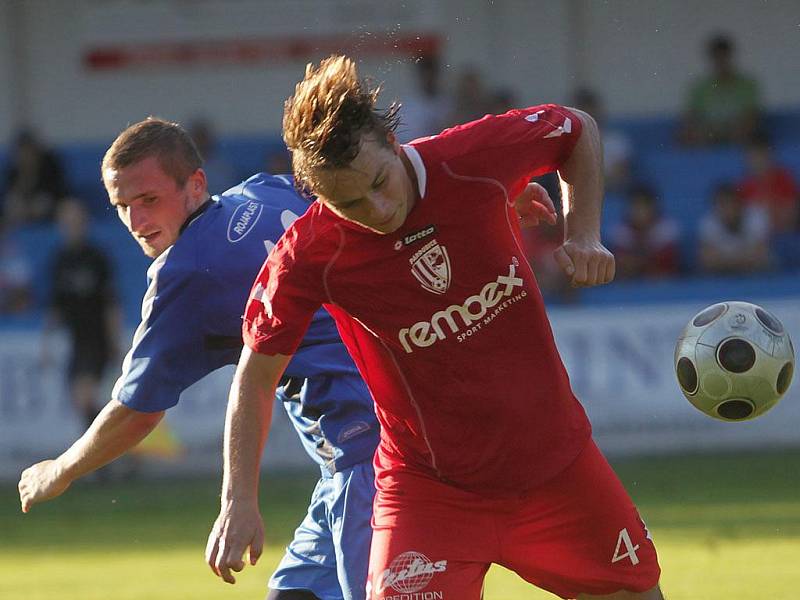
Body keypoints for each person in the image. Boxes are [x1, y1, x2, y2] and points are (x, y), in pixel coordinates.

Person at [207, 55, 663, 600]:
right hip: (429, 493)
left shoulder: (471, 159)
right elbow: (255, 377)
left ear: (395, 144)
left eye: (379, 182)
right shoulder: (308, 254)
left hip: (557, 468)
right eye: (348, 202)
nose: (376, 208)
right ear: (319, 199)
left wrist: (583, 232)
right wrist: (237, 500)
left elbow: (576, 128)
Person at [17, 118, 382, 600]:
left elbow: (135, 414)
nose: (136, 221)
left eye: (149, 200)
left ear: (195, 184)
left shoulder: (186, 271)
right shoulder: (263, 191)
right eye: (122, 207)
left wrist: (58, 471)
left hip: (371, 458)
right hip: (358, 456)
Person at [45, 198, 122, 433]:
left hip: (96, 336)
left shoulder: (96, 258)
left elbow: (111, 302)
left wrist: (114, 340)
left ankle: (107, 452)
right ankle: (114, 449)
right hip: (77, 339)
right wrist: (46, 342)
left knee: (85, 395)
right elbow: (56, 306)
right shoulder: (60, 260)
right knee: (82, 401)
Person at [679, 33, 760, 146]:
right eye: (717, 57)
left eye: (723, 57)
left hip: (738, 133)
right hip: (708, 134)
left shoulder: (747, 85)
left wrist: (732, 130)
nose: (721, 62)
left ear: (730, 56)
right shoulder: (700, 87)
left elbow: (752, 116)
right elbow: (691, 117)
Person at [698, 182, 771, 274]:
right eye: (722, 206)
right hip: (721, 277)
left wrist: (724, 260)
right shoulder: (709, 222)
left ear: (739, 204)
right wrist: (744, 259)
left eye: (730, 204)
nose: (727, 210)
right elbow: (707, 260)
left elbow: (760, 256)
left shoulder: (755, 217)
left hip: (756, 275)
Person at [609, 185, 680, 279]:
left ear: (653, 208)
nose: (640, 212)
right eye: (636, 207)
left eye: (644, 207)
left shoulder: (667, 228)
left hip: (663, 283)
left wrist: (638, 261)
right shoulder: (621, 231)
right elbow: (622, 263)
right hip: (630, 282)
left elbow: (666, 262)